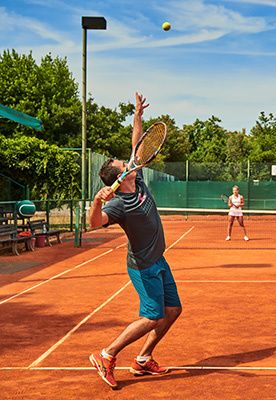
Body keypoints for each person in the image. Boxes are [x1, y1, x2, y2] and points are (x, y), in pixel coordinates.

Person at [88, 92, 182, 389]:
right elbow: (93, 225)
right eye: (124, 164)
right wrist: (96, 202)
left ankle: (143, 360)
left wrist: (138, 116)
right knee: (153, 317)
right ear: (119, 176)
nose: (131, 163)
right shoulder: (117, 205)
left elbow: (138, 146)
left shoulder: (137, 178)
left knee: (173, 311)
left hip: (159, 260)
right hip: (142, 266)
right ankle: (107, 354)